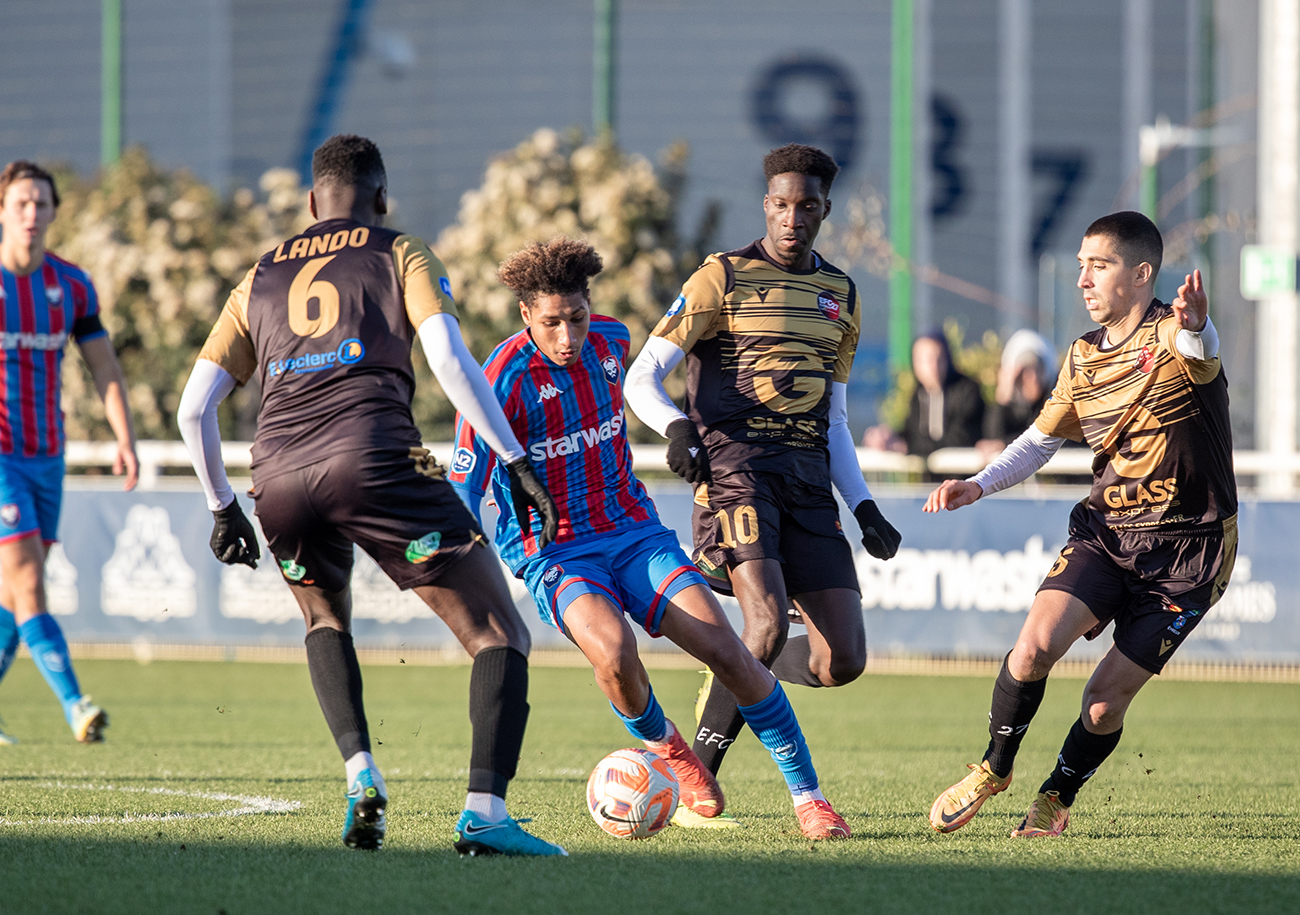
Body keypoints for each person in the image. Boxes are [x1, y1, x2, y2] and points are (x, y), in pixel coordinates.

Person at [178, 135, 565, 857]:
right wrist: (513, 457)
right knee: (499, 632)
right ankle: (485, 812)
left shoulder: (259, 275)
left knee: (324, 616)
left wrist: (222, 506)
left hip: (278, 476)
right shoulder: (400, 250)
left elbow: (193, 407)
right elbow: (448, 355)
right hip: (378, 457)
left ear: (310, 203)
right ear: (381, 198)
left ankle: (361, 774)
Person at [450, 236, 852, 839]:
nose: (569, 337)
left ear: (591, 306)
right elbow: (464, 485)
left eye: (577, 318)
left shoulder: (613, 342)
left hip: (633, 533)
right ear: (526, 315)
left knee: (730, 651)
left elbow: (647, 386)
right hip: (556, 551)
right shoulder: (498, 380)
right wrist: (457, 563)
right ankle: (671, 750)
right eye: (552, 323)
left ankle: (809, 797)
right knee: (613, 655)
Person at [924, 211, 1234, 838]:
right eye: (1080, 267)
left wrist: (1200, 326)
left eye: (1099, 265)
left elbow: (1203, 351)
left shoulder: (1177, 338)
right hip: (1109, 533)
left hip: (1188, 555)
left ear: (1141, 273)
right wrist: (978, 484)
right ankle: (993, 767)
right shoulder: (1082, 358)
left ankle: (1056, 796)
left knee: (1100, 702)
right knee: (1033, 647)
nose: (1084, 280)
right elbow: (1039, 442)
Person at [623, 143, 901, 826]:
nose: (792, 217)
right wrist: (676, 431)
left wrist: (863, 504)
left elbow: (834, 418)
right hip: (736, 470)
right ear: (766, 204)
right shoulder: (722, 276)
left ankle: (735, 667)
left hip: (808, 481)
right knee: (768, 624)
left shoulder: (841, 293)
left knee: (844, 659)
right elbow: (639, 377)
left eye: (806, 206)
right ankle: (698, 783)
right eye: (780, 204)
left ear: (824, 210)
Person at [0, 160, 138, 745]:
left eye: (41, 204)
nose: (32, 214)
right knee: (28, 580)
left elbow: (103, 365)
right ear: (3, 211)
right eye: (21, 203)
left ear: (55, 212)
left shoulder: (72, 286)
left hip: (46, 457)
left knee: (14, 593)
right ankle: (77, 704)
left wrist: (125, 437)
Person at [864, 331, 985, 458]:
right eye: (923, 360)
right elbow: (911, 432)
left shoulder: (966, 390)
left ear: (947, 358)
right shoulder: (918, 394)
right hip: (931, 477)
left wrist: (907, 447)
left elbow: (959, 440)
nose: (932, 366)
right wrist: (889, 438)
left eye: (937, 358)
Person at [976, 329, 1055, 461]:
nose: (1032, 378)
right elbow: (993, 437)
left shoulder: (1057, 401)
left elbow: (1046, 437)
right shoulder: (1010, 408)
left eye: (1037, 368)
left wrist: (1006, 444)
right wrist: (1003, 394)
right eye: (1025, 371)